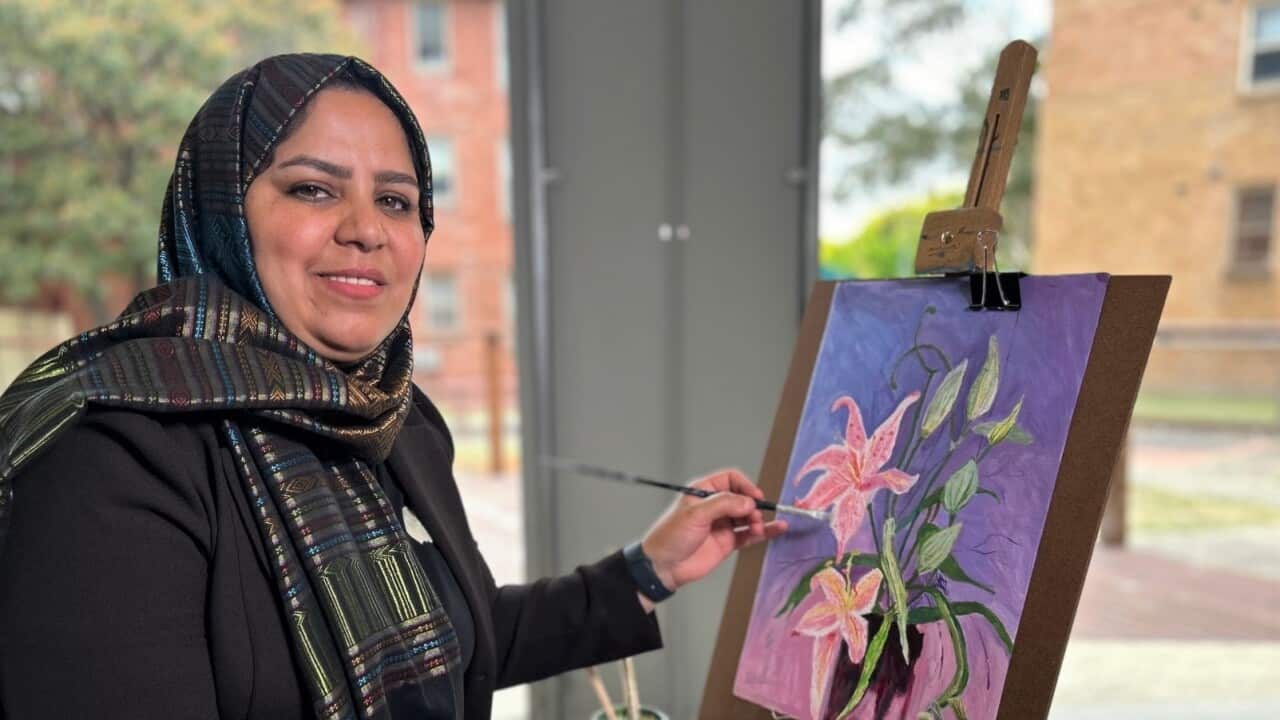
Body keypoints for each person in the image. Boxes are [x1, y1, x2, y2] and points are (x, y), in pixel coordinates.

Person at [0, 54, 786, 719]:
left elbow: (451, 637)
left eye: (395, 199)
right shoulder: (106, 457)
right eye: (313, 188)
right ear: (220, 211)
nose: (366, 229)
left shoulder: (393, 420)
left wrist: (648, 569)